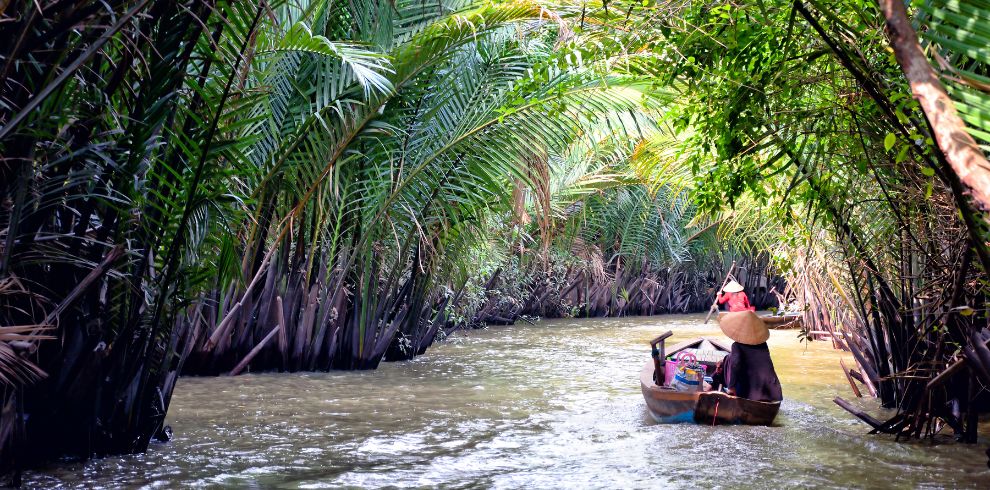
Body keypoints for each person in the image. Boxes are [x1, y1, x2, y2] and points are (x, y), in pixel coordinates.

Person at [717, 310, 783, 402]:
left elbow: (735, 364)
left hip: (751, 393)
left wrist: (731, 387)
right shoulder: (763, 344)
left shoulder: (736, 346)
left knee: (728, 362)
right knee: (727, 359)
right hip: (771, 391)